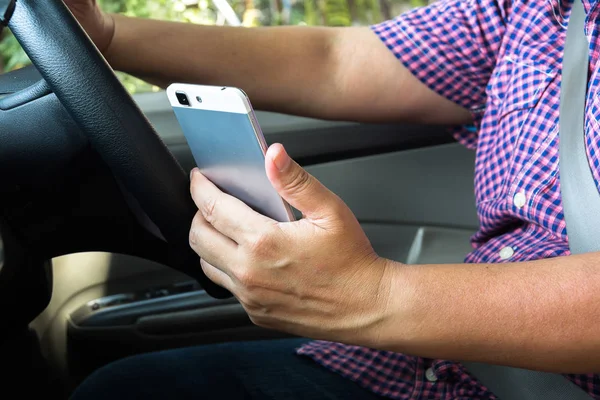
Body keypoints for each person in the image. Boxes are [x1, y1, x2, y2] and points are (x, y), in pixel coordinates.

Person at [66, 0, 600, 399]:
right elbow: (336, 60)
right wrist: (107, 33)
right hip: (454, 366)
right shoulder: (533, 11)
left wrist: (376, 296)